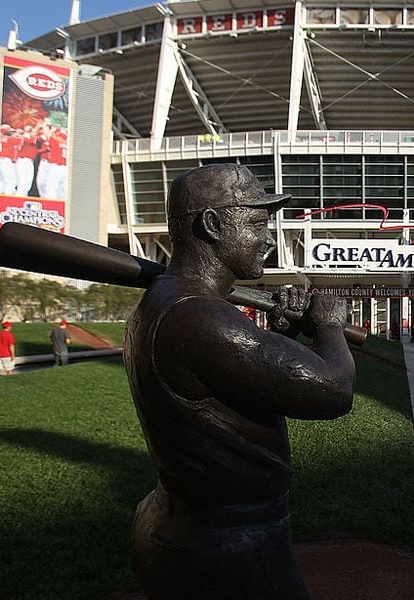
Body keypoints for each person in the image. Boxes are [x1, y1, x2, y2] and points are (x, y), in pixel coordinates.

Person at [124, 164, 356, 598]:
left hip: (182, 524)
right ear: (212, 225)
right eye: (256, 222)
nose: (268, 238)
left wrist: (281, 335)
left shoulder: (168, 301)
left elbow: (240, 380)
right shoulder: (199, 315)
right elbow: (334, 391)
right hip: (230, 549)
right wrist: (329, 325)